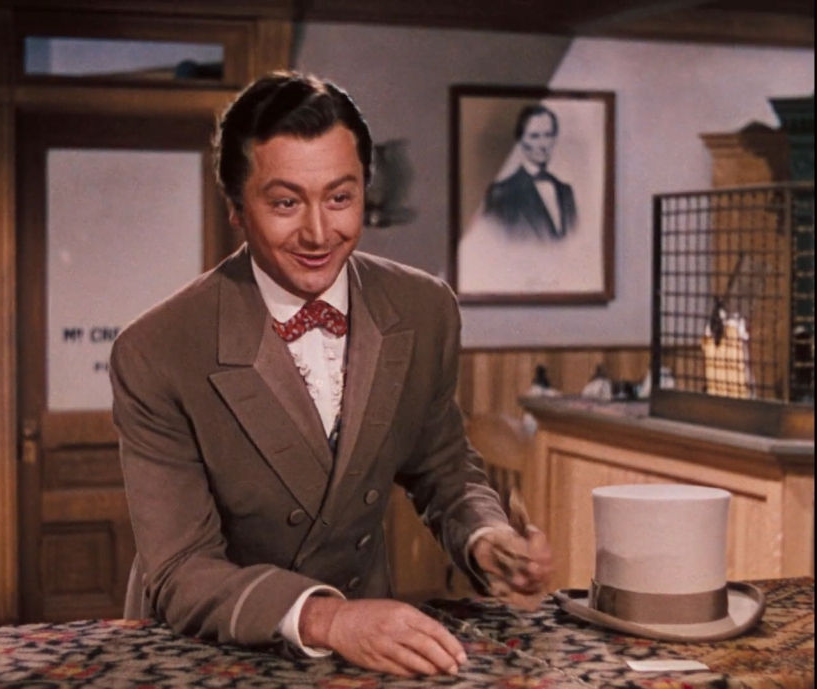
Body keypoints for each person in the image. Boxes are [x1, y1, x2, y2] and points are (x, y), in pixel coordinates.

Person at [109, 71, 553, 678]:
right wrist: (330, 618)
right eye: (285, 203)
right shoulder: (155, 350)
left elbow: (443, 465)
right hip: (210, 648)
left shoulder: (424, 308)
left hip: (363, 651)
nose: (319, 233)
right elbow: (181, 569)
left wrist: (486, 538)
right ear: (236, 207)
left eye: (340, 198)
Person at [483, 104, 577, 241]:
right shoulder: (501, 194)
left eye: (548, 135)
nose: (543, 144)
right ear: (520, 140)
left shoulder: (566, 192)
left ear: (554, 138)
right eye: (534, 136)